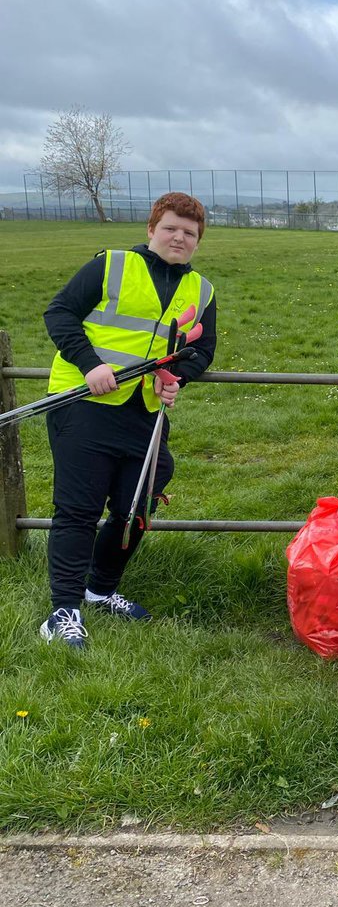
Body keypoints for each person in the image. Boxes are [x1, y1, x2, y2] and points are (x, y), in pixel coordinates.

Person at [40, 192, 217, 649]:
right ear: (151, 228)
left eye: (190, 233)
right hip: (83, 403)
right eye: (171, 228)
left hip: (144, 413)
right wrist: (89, 364)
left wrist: (176, 376)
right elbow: (59, 313)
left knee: (135, 507)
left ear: (198, 241)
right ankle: (63, 611)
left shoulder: (201, 290)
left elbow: (202, 349)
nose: (179, 237)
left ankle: (99, 590)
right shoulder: (112, 264)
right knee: (78, 511)